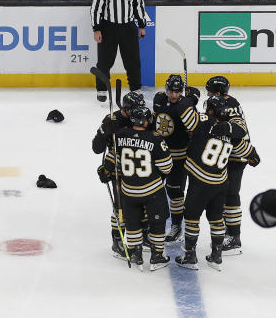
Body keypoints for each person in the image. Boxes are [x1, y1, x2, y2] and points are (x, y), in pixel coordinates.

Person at [177, 97, 250, 270]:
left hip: (200, 182)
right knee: (217, 218)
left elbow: (185, 114)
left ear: (210, 110)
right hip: (220, 183)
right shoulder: (231, 131)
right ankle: (216, 256)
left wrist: (189, 99)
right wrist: (253, 156)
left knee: (191, 218)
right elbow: (245, 149)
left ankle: (190, 256)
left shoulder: (203, 122)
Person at [101, 105, 173, 270]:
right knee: (157, 223)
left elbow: (110, 161)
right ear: (146, 121)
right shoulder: (155, 139)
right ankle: (157, 256)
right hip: (152, 190)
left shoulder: (119, 136)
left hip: (128, 191)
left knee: (132, 222)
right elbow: (167, 167)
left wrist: (105, 171)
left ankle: (136, 253)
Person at [204, 77, 258, 256]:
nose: (208, 94)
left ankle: (234, 236)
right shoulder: (225, 102)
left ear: (218, 93)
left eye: (210, 91)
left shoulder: (229, 106)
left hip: (236, 154)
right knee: (226, 193)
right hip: (230, 153)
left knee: (231, 194)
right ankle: (230, 232)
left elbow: (236, 133)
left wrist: (249, 152)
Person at [93, 91, 147, 258]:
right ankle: (117, 239)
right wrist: (104, 132)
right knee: (120, 207)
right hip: (117, 168)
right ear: (126, 109)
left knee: (143, 204)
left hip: (138, 168)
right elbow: (96, 148)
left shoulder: (140, 116)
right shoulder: (111, 120)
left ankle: (143, 234)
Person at [90, 0, 148, 101]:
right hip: (108, 27)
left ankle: (136, 88)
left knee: (132, 60)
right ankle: (102, 89)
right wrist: (97, 28)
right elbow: (96, 8)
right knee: (104, 61)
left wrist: (141, 25)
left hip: (128, 27)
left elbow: (139, 5)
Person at [153, 74, 201, 244]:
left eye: (177, 92)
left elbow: (195, 129)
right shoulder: (158, 99)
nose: (173, 95)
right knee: (152, 190)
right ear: (166, 89)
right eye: (171, 91)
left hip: (179, 158)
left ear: (181, 92)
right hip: (159, 155)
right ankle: (153, 222)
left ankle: (176, 225)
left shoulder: (185, 105)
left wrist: (190, 102)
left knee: (175, 193)